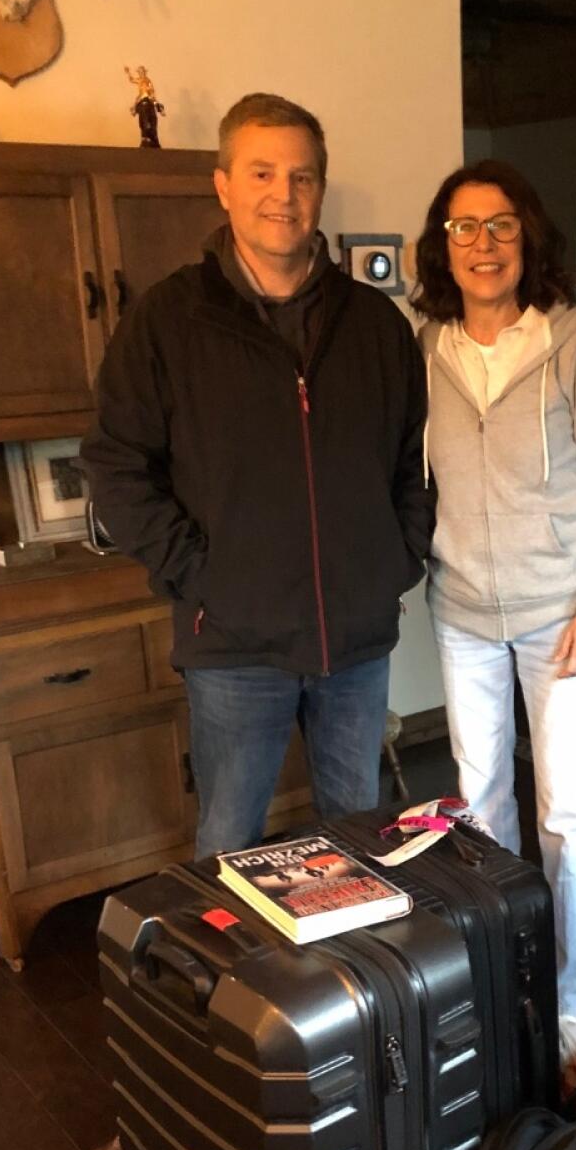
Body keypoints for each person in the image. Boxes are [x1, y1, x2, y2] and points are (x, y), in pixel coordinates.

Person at [82, 94, 433, 856]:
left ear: (320, 190)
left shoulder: (375, 324)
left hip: (356, 640)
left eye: (302, 177)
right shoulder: (168, 322)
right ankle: (232, 978)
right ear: (224, 185)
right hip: (234, 642)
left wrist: (396, 559)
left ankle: (348, 977)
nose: (284, 195)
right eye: (263, 173)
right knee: (229, 841)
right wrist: (204, 575)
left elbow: (415, 457)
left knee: (358, 839)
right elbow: (115, 464)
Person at [410, 159, 576, 1056]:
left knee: (568, 813)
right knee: (479, 808)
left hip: (561, 617)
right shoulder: (425, 345)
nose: (482, 244)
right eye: (464, 227)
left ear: (527, 237)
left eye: (499, 225)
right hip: (461, 609)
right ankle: (500, 973)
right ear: (443, 244)